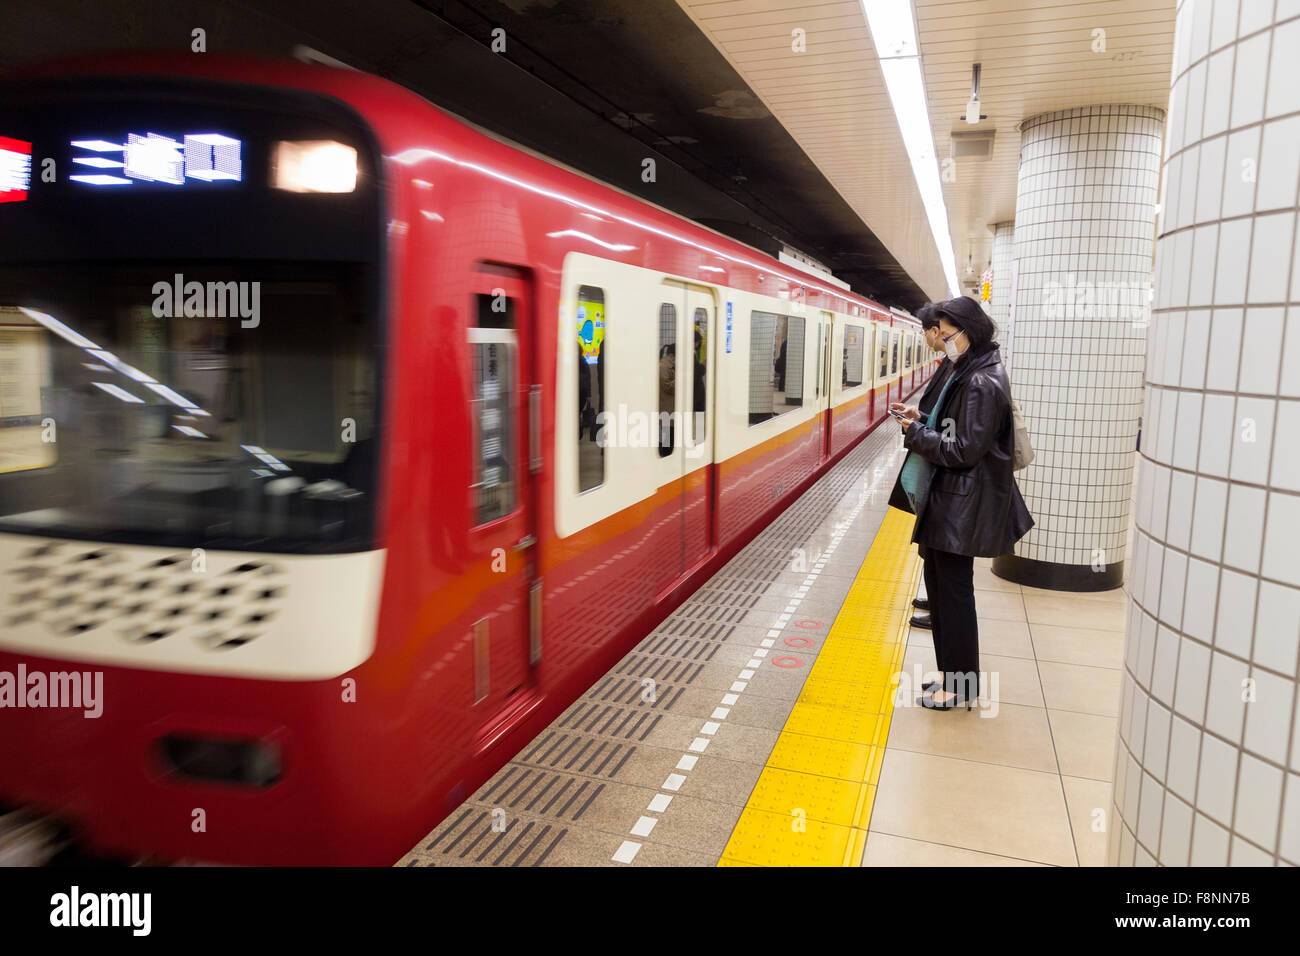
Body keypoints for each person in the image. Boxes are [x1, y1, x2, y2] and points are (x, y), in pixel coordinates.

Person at [889, 296, 1033, 710]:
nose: (943, 341)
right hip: (951, 501)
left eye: (947, 334)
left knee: (953, 595)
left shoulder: (981, 382)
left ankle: (963, 685)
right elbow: (954, 430)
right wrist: (921, 420)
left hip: (960, 506)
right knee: (943, 590)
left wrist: (915, 435)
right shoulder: (969, 370)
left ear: (969, 331)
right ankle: (953, 675)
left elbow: (963, 450)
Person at [887, 303, 947, 634]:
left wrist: (917, 430)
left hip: (945, 479)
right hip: (937, 473)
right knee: (932, 552)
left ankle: (942, 610)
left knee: (943, 559)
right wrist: (919, 418)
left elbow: (960, 442)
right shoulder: (954, 366)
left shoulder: (972, 375)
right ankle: (936, 602)